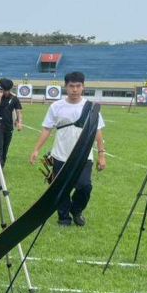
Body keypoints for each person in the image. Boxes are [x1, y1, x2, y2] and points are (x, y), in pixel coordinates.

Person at [29, 71, 106, 226]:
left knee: (85, 186)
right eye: (71, 86)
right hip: (60, 155)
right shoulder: (56, 106)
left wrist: (101, 154)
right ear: (66, 86)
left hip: (84, 156)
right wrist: (36, 150)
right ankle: (64, 217)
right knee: (61, 188)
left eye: (78, 86)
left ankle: (76, 210)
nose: (75, 89)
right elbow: (47, 129)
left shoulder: (91, 108)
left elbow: (97, 131)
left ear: (83, 87)